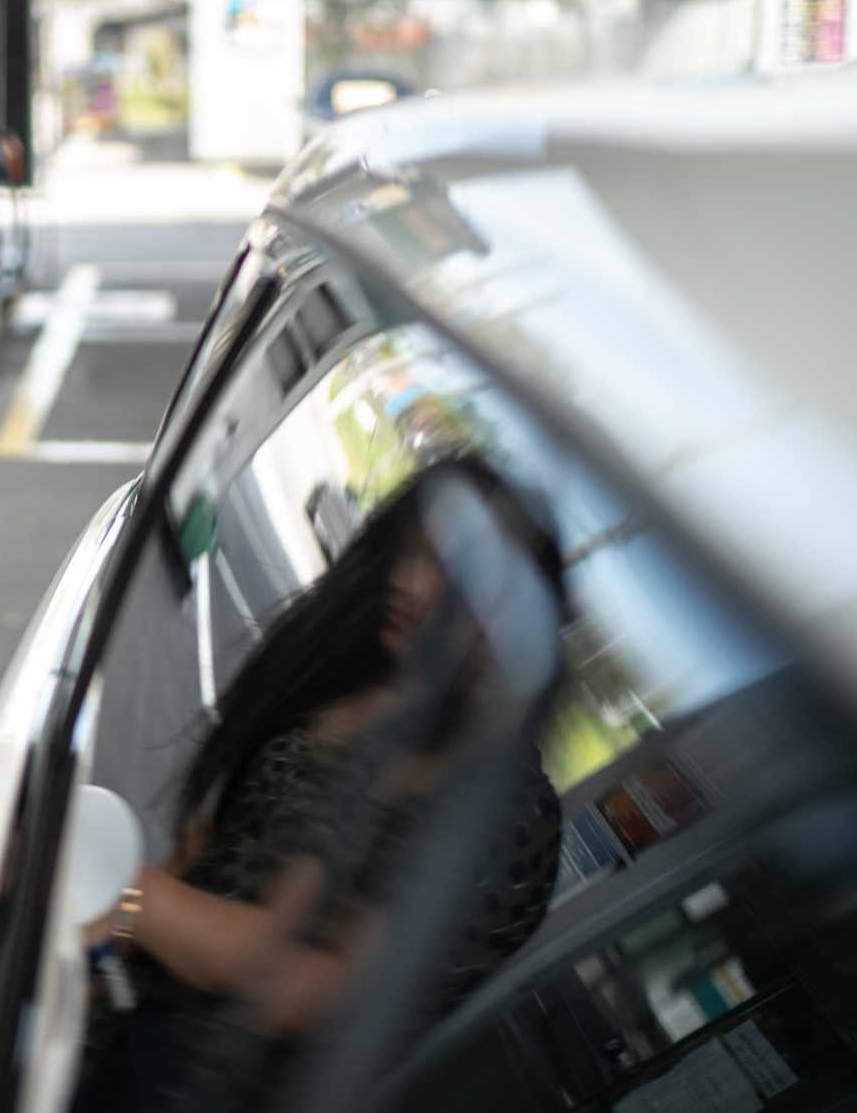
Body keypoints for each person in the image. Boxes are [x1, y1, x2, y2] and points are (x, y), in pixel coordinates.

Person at [72, 459, 566, 1112]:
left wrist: (135, 902)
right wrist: (109, 948)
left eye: (452, 576)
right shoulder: (379, 683)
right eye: (412, 554)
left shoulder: (505, 816)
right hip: (123, 1036)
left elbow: (311, 992)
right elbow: (214, 844)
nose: (411, 585)